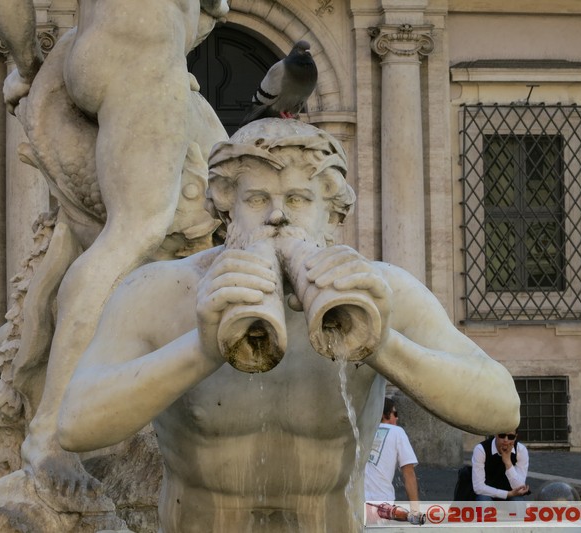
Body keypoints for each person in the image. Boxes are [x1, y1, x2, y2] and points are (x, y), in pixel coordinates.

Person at [57, 119, 521, 532]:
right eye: (257, 199)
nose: (277, 216)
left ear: (331, 214)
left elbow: (501, 409)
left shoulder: (380, 291)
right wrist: (201, 349)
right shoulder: (162, 291)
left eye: (298, 200)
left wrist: (379, 344)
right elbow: (76, 426)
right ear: (227, 209)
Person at [0, 0, 230, 504]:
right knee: (135, 232)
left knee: (154, 228)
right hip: (147, 51)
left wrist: (27, 66)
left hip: (96, 48)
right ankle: (50, 432)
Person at [365, 398, 419, 503]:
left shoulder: (361, 431)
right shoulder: (397, 432)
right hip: (381, 500)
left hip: (356, 502)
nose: (397, 417)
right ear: (384, 414)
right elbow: (408, 473)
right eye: (395, 413)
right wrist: (415, 507)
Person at [471, 430, 530, 501]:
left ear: (515, 437)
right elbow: (478, 487)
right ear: (496, 434)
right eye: (502, 435)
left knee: (518, 501)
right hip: (487, 492)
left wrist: (508, 462)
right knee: (484, 500)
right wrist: (507, 494)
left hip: (512, 492)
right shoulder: (481, 449)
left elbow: (519, 487)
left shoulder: (521, 450)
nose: (506, 440)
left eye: (511, 437)